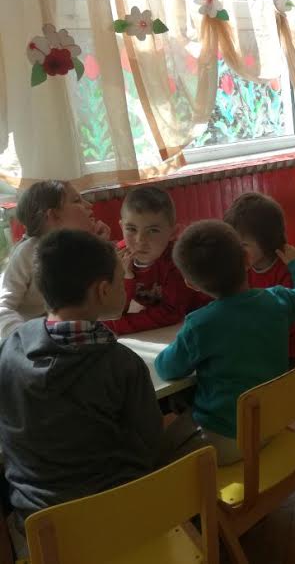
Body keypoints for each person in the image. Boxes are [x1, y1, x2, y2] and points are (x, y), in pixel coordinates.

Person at [0, 230, 163, 555]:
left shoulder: (10, 348)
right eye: (121, 281)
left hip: (40, 530)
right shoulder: (123, 365)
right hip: (115, 520)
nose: (124, 287)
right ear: (103, 291)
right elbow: (150, 444)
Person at [154, 220, 295, 465]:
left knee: (156, 458)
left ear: (191, 283)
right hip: (272, 424)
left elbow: (167, 368)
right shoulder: (278, 300)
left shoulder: (199, 325)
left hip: (224, 439)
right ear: (247, 259)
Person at [0, 181, 110, 340]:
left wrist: (102, 247)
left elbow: (104, 298)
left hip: (57, 331)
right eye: (77, 201)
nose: (89, 205)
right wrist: (23, 338)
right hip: (27, 336)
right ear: (52, 216)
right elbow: (3, 307)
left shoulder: (80, 246)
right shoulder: (27, 252)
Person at [223, 192, 295, 368]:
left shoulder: (286, 272)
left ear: (267, 242)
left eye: (243, 245)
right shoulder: (245, 265)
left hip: (281, 354)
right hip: (254, 345)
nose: (236, 251)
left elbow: (291, 320)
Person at [104, 187, 196, 335]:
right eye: (131, 229)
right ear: (121, 227)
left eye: (153, 230)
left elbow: (171, 313)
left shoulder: (177, 261)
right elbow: (117, 309)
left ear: (173, 233)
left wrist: (116, 325)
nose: (140, 240)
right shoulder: (119, 256)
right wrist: (127, 276)